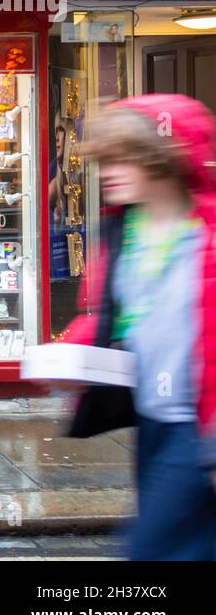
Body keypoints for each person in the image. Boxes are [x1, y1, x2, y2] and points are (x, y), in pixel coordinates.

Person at [65, 94, 216, 560]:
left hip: (198, 429)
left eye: (121, 159)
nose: (107, 172)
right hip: (152, 423)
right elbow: (116, 319)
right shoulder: (124, 232)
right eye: (105, 160)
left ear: (162, 160)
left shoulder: (203, 235)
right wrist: (72, 357)